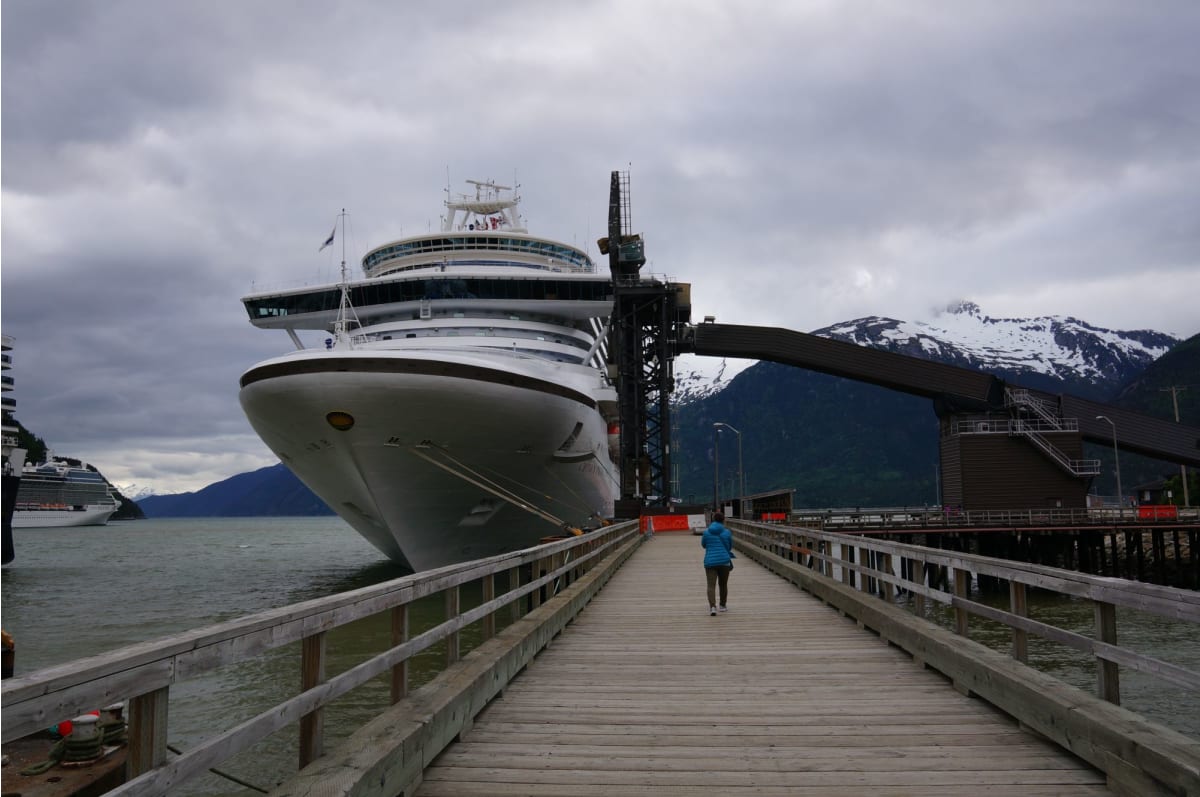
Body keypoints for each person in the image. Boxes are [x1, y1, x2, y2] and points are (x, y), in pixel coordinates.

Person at [701, 512, 734, 616]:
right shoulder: (727, 532)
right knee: (723, 584)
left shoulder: (706, 532)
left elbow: (703, 545)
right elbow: (729, 547)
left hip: (710, 562)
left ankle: (712, 607)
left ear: (713, 520)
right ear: (723, 520)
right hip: (724, 561)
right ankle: (723, 606)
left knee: (711, 585)